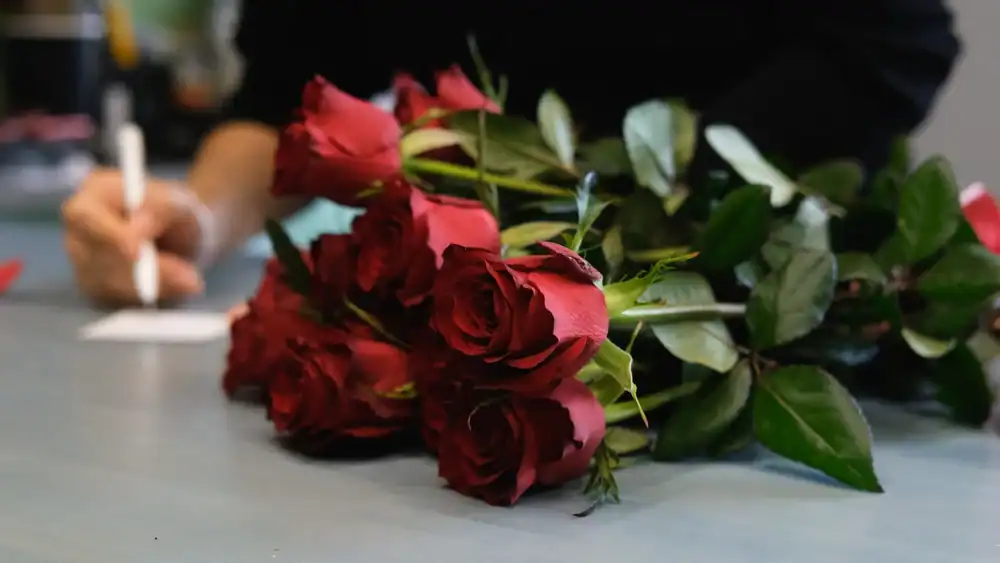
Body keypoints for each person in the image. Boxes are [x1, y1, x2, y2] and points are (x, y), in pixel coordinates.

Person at [62, 0, 962, 307]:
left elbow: (893, 47)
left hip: (772, 284)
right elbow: (282, 106)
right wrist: (199, 217)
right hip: (492, 304)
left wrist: (636, 210)